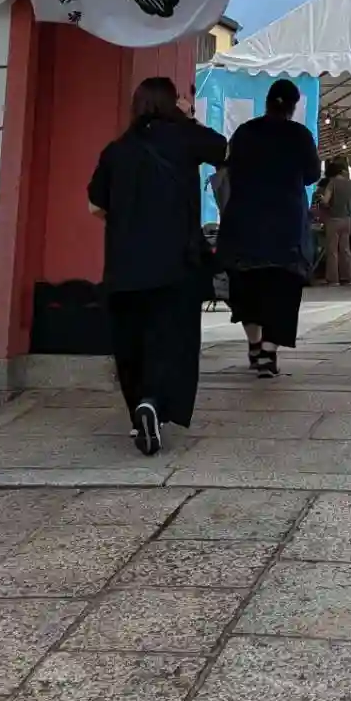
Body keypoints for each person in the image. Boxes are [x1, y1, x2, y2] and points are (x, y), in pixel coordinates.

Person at [88, 77, 227, 456]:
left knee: (131, 344)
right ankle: (155, 402)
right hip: (176, 265)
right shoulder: (185, 138)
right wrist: (189, 119)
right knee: (172, 340)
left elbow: (95, 205)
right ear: (171, 103)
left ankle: (140, 411)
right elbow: (223, 150)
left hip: (125, 266)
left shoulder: (116, 150)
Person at [217, 78, 322, 378]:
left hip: (244, 222)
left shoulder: (245, 132)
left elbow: (229, 167)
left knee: (246, 286)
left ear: (266, 102)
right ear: (293, 106)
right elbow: (312, 175)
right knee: (282, 288)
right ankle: (268, 352)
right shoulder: (299, 135)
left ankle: (254, 344)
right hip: (285, 226)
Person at [319, 158, 351, 286]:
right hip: (347, 219)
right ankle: (348, 277)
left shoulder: (332, 183)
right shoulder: (349, 183)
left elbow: (326, 201)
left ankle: (333, 279)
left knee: (333, 251)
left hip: (333, 219)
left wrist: (322, 198)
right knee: (345, 249)